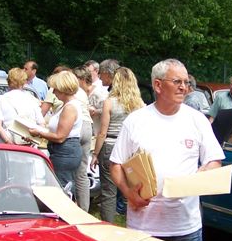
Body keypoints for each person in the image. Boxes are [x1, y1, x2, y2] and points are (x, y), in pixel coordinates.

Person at [109, 59, 224, 241]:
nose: (184, 87)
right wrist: (128, 193)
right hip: (143, 227)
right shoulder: (136, 120)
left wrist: (203, 174)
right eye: (177, 82)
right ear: (158, 85)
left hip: (185, 227)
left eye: (186, 82)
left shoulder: (197, 120)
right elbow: (116, 164)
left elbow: (214, 160)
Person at [91, 67, 145, 222]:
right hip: (132, 149)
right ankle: (132, 223)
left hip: (111, 145)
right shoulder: (140, 104)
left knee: (108, 192)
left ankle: (107, 226)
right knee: (132, 189)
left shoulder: (109, 102)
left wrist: (95, 154)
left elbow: (103, 132)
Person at [29, 70, 83, 189]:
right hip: (64, 151)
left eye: (55, 89)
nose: (53, 92)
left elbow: (60, 137)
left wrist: (39, 132)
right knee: (60, 186)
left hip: (65, 152)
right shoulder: (66, 105)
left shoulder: (69, 108)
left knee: (61, 188)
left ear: (63, 89)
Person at [0, 67, 45, 144]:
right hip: (28, 142)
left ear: (8, 81)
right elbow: (41, 123)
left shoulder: (1, 99)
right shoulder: (32, 100)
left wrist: (8, 142)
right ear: (24, 82)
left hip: (6, 143)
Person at [72, 66, 96, 211]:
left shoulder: (70, 90)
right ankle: (84, 210)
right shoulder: (82, 92)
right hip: (87, 127)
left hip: (75, 126)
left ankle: (67, 209)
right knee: (81, 172)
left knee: (66, 170)